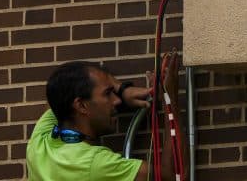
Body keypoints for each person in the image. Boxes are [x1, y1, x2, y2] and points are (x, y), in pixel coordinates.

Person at [27, 53, 185, 181]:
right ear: (81, 106)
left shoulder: (39, 144)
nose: (117, 100)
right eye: (108, 94)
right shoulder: (95, 164)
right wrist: (170, 97)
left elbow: (56, 95)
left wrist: (122, 89)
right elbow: (172, 176)